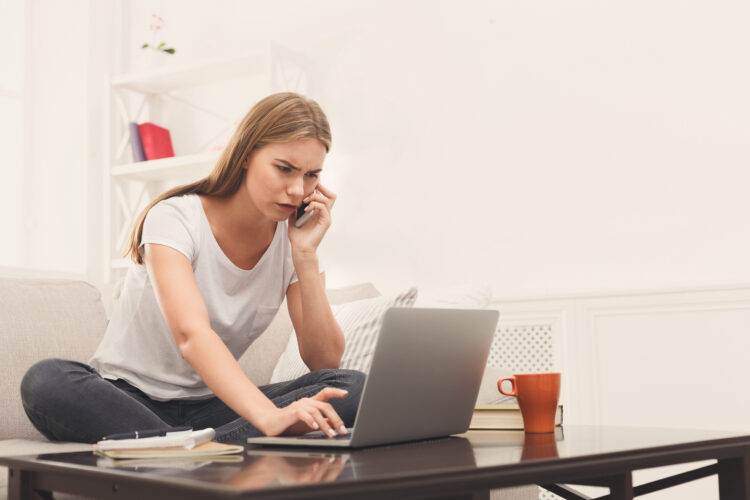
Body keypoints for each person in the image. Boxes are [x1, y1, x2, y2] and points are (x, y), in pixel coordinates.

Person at [20, 92, 365, 444]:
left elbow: (325, 362)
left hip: (210, 408)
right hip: (126, 399)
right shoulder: (175, 218)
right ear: (246, 156)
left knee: (350, 387)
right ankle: (206, 446)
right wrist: (269, 418)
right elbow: (191, 334)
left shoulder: (293, 241)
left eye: (311, 175)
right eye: (284, 168)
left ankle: (180, 449)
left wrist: (305, 256)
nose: (296, 190)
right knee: (46, 380)